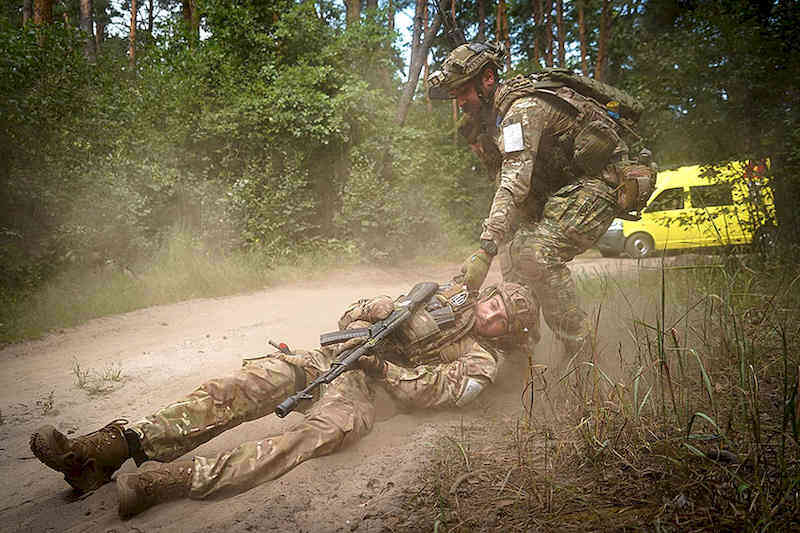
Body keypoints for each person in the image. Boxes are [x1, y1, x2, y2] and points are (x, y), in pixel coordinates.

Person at [30, 280, 538, 518]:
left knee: (303, 438)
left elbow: (430, 393)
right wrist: (384, 309)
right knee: (237, 387)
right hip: (335, 362)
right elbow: (349, 318)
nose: (490, 314)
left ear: (510, 333)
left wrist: (376, 364)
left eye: (502, 318)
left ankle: (168, 482)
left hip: (369, 396)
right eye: (492, 302)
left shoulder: (483, 363)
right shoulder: (443, 298)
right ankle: (110, 448)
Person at [428, 42, 639, 359]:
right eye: (455, 95)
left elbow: (515, 180)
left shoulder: (521, 111)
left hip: (602, 183)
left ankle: (584, 355)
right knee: (513, 257)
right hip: (562, 190)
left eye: (463, 92)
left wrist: (485, 248)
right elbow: (509, 184)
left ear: (488, 79)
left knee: (534, 252)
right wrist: (499, 245)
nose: (459, 102)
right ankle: (520, 355)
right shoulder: (494, 119)